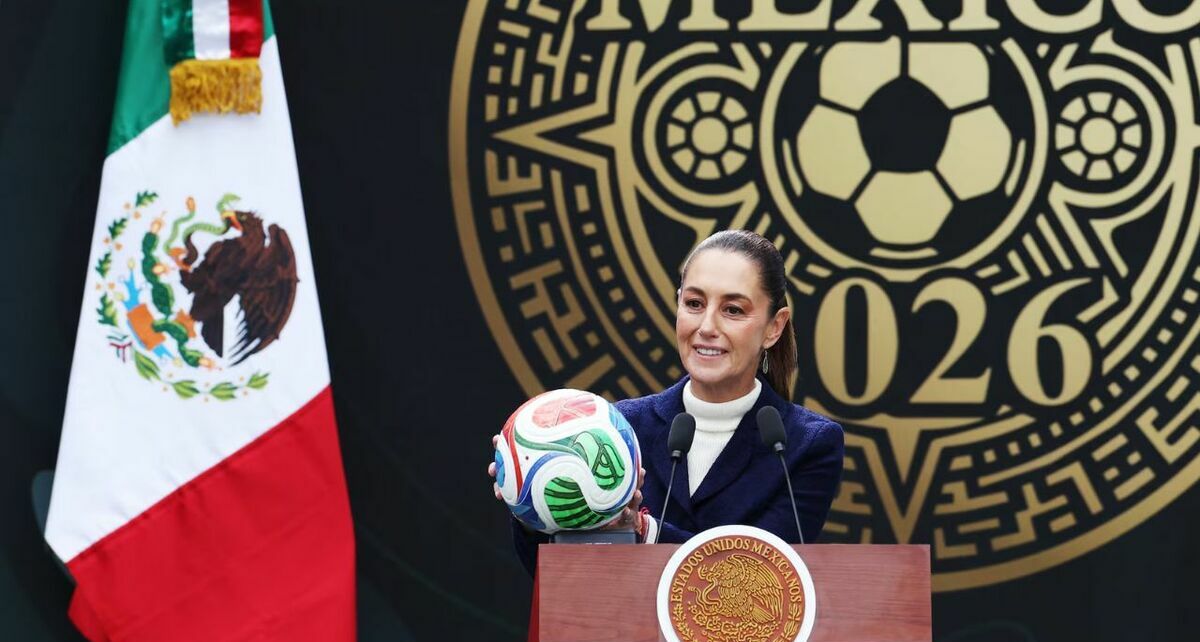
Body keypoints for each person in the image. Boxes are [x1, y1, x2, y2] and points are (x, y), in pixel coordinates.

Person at [488, 230, 845, 576]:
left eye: (733, 310)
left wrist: (644, 531)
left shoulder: (805, 444)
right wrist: (531, 499)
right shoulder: (620, 429)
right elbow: (555, 576)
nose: (706, 326)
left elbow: (763, 578)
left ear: (774, 327)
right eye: (694, 303)